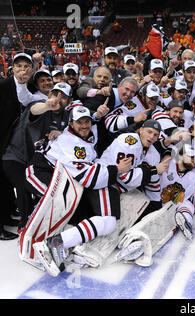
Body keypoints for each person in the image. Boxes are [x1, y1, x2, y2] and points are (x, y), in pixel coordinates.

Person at [22, 105, 133, 276]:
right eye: (79, 122)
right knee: (53, 203)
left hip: (62, 176)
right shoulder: (70, 142)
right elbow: (87, 178)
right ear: (71, 124)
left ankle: (54, 242)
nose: (84, 125)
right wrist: (116, 170)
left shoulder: (85, 135)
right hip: (39, 170)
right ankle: (31, 243)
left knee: (72, 210)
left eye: (86, 121)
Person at [2, 82, 73, 228]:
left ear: (69, 101)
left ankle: (39, 218)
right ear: (49, 95)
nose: (58, 99)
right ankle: (27, 226)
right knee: (24, 186)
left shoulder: (67, 116)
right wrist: (47, 105)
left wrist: (62, 134)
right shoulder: (40, 105)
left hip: (35, 161)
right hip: (14, 157)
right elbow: (35, 110)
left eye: (64, 97)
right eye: (55, 94)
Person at [0, 52, 34, 240]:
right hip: (2, 140)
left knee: (5, 184)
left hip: (9, 144)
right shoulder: (3, 85)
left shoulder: (27, 87)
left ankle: (6, 217)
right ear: (12, 68)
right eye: (19, 66)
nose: (23, 69)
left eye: (26, 66)